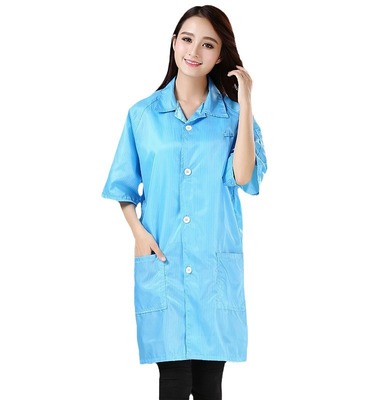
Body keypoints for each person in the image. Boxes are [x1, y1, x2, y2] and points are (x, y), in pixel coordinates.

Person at [102, 4, 267, 399]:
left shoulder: (232, 116)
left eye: (208, 44)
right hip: (164, 261)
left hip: (213, 270)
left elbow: (243, 176)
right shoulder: (143, 115)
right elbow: (123, 187)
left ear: (220, 54)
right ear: (174, 42)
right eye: (187, 39)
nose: (194, 51)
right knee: (173, 383)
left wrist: (245, 102)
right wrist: (138, 233)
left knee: (209, 386)